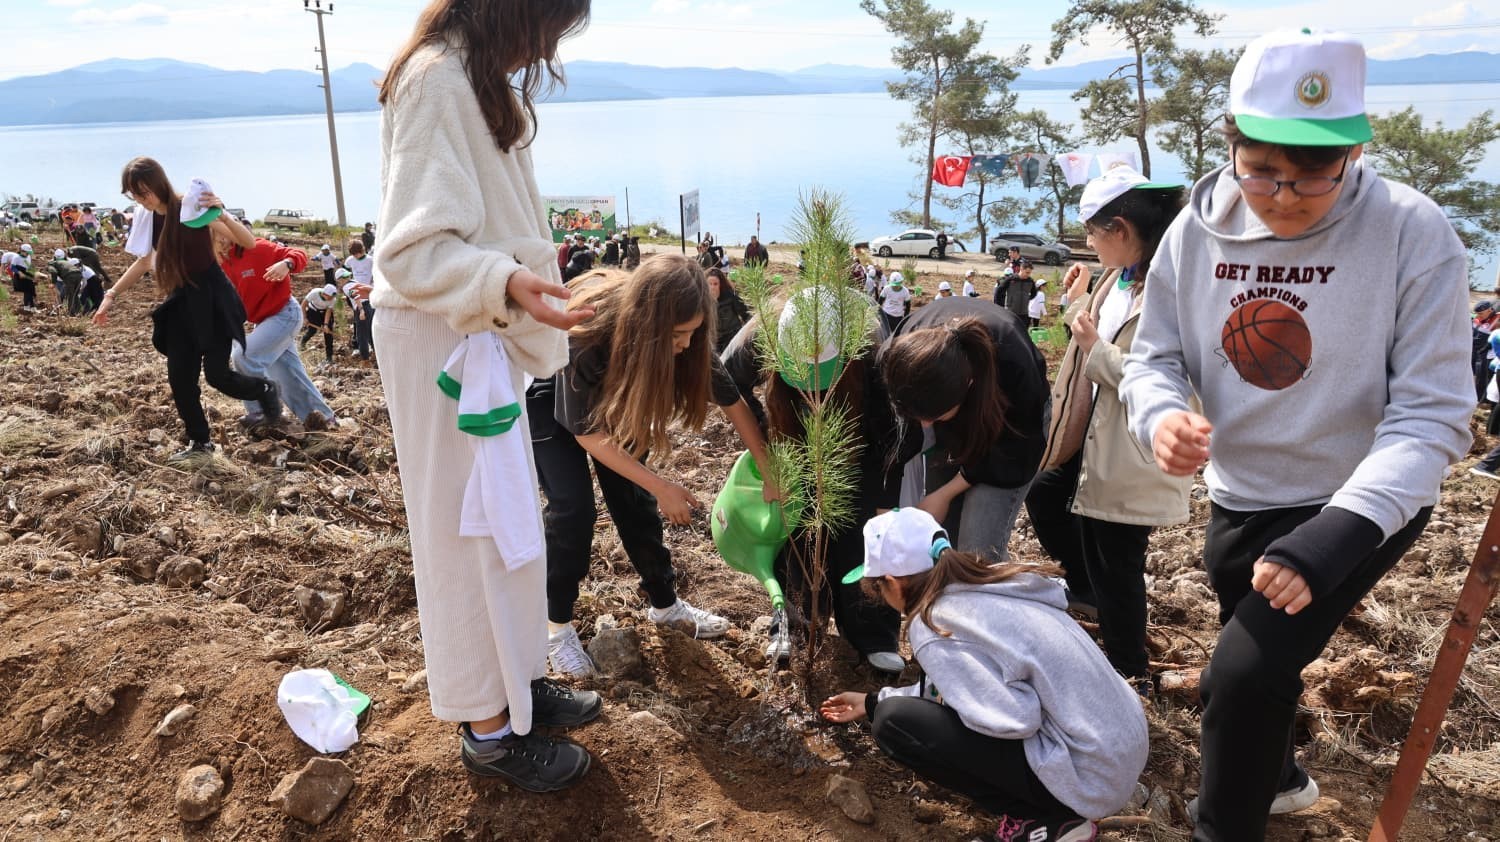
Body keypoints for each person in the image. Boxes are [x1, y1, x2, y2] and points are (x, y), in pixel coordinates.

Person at [1118, 30, 1474, 842]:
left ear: (1355, 151)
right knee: (1259, 653)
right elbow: (1155, 358)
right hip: (1241, 489)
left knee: (1241, 675)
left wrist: (1336, 534)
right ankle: (1279, 778)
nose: (1283, 196)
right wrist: (1160, 415)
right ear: (1231, 144)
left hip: (1359, 497)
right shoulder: (1195, 233)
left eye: (1313, 174)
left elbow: (1433, 411)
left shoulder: (1411, 232)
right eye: (1260, 170)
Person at [371, 0, 600, 794]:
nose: (546, 46)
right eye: (548, 26)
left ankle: (519, 683)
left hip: (474, 332)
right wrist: (504, 280)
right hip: (442, 334)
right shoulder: (436, 78)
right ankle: (489, 730)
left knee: (506, 522)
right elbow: (411, 250)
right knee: (463, 534)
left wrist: (513, 285)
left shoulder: (469, 73)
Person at [821, 508, 1148, 842]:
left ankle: (1047, 821)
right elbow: (964, 682)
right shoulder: (989, 584)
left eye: (877, 587)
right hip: (1118, 751)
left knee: (894, 722)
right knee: (890, 709)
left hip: (1088, 778)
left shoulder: (934, 622)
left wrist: (950, 710)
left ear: (892, 582)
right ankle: (1054, 812)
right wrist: (873, 701)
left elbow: (1015, 720)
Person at [529, 255, 778, 677]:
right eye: (678, 335)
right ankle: (557, 628)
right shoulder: (586, 334)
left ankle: (665, 605)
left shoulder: (687, 343)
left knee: (633, 500)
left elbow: (733, 402)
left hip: (611, 400)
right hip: (552, 400)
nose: (686, 344)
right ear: (648, 324)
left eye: (693, 332)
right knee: (573, 510)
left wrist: (767, 470)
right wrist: (662, 486)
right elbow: (587, 434)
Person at [1024, 167, 1191, 688]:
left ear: (1120, 229)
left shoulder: (1171, 289)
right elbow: (1091, 331)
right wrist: (1077, 301)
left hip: (1129, 443)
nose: (1089, 244)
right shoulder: (1116, 277)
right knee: (1047, 494)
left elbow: (1168, 377)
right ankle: (1086, 590)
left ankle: (1127, 669)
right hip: (1092, 431)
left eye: (1093, 233)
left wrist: (1095, 349)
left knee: (1117, 558)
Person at [750, 287, 905, 671]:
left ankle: (874, 634)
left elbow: (890, 439)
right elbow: (726, 387)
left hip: (858, 446)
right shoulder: (761, 334)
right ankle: (792, 623)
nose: (810, 387)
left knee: (860, 534)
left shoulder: (874, 354)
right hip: (793, 443)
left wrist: (884, 505)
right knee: (794, 531)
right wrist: (767, 462)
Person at [92, 157, 282, 460]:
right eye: (133, 194)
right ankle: (201, 443)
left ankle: (266, 390)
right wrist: (111, 295)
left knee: (217, 376)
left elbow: (247, 242)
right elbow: (144, 262)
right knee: (180, 379)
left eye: (143, 192)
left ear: (158, 183)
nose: (140, 199)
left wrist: (223, 213)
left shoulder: (190, 207)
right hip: (181, 303)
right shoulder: (148, 218)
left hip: (213, 299)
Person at [881, 296, 1049, 561]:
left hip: (1011, 436)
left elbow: (1015, 454)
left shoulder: (1013, 366)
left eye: (936, 416)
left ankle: (985, 584)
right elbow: (887, 442)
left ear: (969, 384)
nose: (925, 426)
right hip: (953, 415)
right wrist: (886, 513)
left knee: (977, 551)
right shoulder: (897, 356)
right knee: (942, 536)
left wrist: (945, 493)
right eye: (918, 417)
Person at [215, 231, 338, 427]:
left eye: (219, 232)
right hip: (263, 322)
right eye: (212, 235)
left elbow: (299, 254)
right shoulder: (220, 263)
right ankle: (324, 419)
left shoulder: (256, 247)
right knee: (288, 375)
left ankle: (262, 411)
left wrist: (286, 264)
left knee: (244, 355)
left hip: (284, 314)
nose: (219, 238)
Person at [344, 240, 376, 361]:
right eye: (354, 254)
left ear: (362, 251)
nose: (356, 256)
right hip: (355, 294)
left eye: (357, 253)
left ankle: (373, 345)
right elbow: (346, 274)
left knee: (370, 320)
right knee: (358, 321)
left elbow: (376, 275)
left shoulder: (370, 260)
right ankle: (357, 345)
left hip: (368, 293)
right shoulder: (350, 260)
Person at [707, 267, 750, 353]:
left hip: (732, 337)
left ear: (721, 285)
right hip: (715, 340)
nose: (712, 287)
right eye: (710, 284)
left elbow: (746, 314)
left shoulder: (730, 296)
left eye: (715, 284)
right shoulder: (703, 299)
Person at [300, 283, 339, 367]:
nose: (332, 298)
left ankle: (329, 356)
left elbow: (328, 311)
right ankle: (303, 341)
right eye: (330, 297)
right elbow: (303, 304)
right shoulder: (314, 293)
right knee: (312, 330)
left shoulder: (333, 299)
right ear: (325, 294)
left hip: (325, 312)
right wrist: (304, 318)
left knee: (328, 333)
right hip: (313, 311)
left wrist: (326, 325)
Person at [993, 258, 1038, 323]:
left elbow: (1034, 293)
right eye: (1027, 272)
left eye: (1030, 273)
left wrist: (1027, 298)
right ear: (1021, 269)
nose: (1028, 275)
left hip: (1024, 312)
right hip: (1011, 311)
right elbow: (998, 291)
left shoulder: (1030, 281)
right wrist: (1000, 306)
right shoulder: (1011, 279)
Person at [1472, 301, 1498, 404]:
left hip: (1487, 353)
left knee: (1482, 376)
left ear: (1490, 310)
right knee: (1472, 373)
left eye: (1481, 313)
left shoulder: (1497, 319)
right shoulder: (1476, 319)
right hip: (1474, 349)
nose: (1479, 316)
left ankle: (1481, 400)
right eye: (1477, 313)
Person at [876, 272, 911, 336]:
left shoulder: (905, 292)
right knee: (884, 333)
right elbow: (880, 301)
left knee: (896, 334)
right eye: (894, 285)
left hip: (898, 316)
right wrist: (877, 312)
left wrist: (905, 318)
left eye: (897, 285)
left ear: (901, 282)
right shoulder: (887, 289)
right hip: (886, 314)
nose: (895, 287)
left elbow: (908, 306)